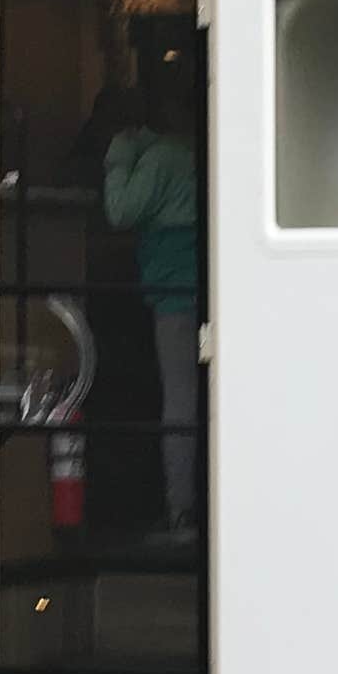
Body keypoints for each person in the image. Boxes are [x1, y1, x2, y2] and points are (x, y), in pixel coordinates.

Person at [102, 77, 203, 537]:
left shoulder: (162, 157)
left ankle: (180, 512)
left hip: (175, 291)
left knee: (178, 400)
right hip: (203, 284)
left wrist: (119, 157)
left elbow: (120, 211)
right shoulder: (207, 150)